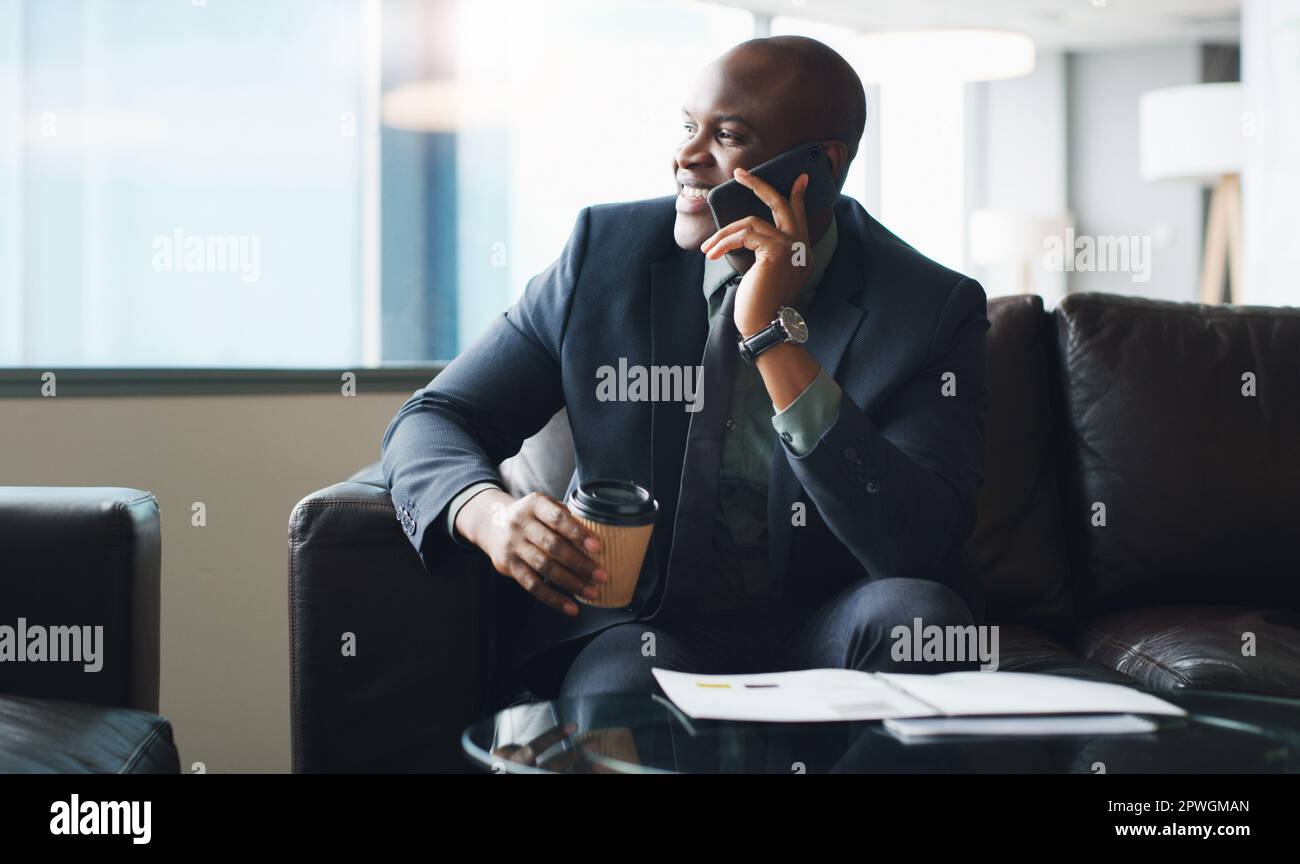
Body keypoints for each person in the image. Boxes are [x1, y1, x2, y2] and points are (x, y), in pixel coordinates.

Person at [381, 36, 990, 703]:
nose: (686, 156)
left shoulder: (928, 307)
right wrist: (487, 513)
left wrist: (772, 337)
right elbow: (435, 418)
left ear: (815, 166)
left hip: (827, 619)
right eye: (687, 127)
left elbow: (915, 544)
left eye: (726, 135)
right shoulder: (603, 256)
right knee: (615, 695)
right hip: (648, 624)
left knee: (919, 622)